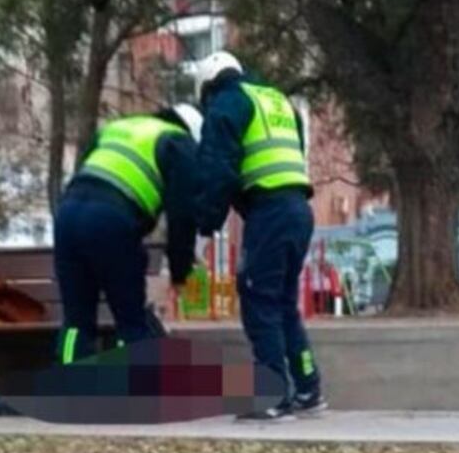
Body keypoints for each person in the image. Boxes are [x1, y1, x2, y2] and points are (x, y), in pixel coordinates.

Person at [193, 51, 326, 420]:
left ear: (207, 87)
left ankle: (271, 395)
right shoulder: (275, 99)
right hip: (299, 208)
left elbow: (218, 168)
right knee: (282, 302)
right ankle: (307, 387)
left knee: (257, 298)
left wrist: (204, 223)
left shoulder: (227, 103)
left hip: (269, 212)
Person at [53, 104, 207, 363]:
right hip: (112, 221)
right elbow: (183, 215)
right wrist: (180, 271)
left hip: (67, 216)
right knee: (130, 319)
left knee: (76, 320)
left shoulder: (117, 128)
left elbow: (85, 170)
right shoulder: (179, 143)